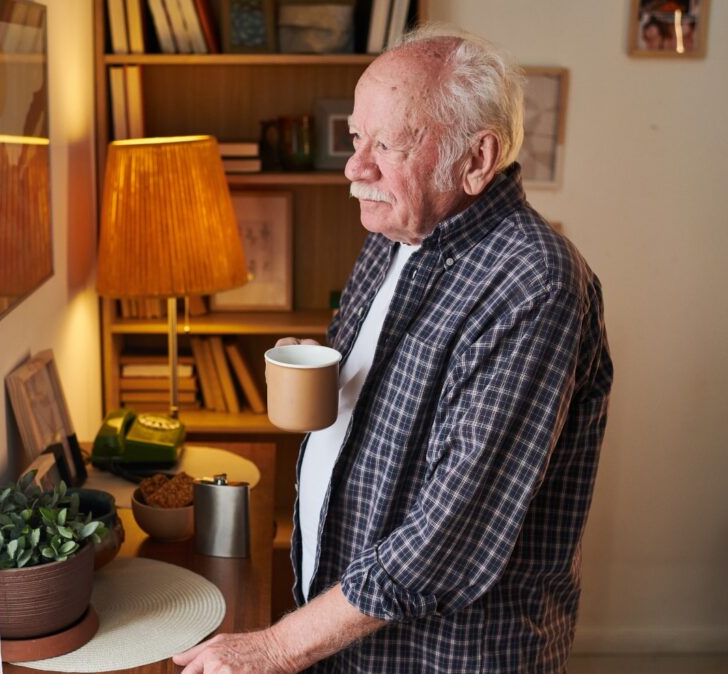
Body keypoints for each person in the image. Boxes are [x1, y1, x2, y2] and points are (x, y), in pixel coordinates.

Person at [173, 25, 612, 673]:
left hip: (444, 655)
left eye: (388, 144)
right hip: (349, 629)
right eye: (356, 138)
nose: (356, 166)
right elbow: (394, 396)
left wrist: (275, 647)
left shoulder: (531, 283)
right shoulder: (395, 230)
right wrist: (324, 366)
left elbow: (450, 536)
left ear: (476, 159)